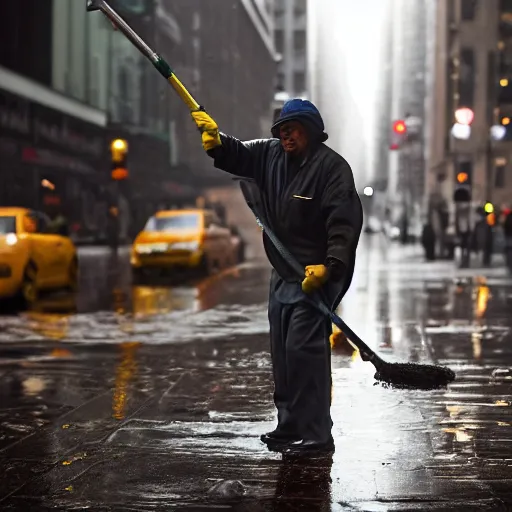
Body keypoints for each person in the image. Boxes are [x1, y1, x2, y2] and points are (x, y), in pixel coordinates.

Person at [191, 99, 363, 456]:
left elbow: (343, 225)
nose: (286, 137)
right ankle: (289, 426)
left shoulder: (333, 170)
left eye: (293, 130)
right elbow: (238, 152)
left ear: (312, 133)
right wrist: (216, 140)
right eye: (282, 131)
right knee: (283, 351)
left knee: (304, 350)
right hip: (284, 271)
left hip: (317, 273)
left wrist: (330, 267)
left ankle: (316, 434)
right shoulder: (269, 156)